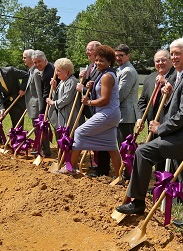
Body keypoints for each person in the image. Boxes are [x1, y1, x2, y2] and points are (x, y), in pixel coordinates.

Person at [115, 38, 183, 229]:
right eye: (172, 53)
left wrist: (161, 128)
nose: (173, 57)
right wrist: (170, 92)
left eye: (177, 53)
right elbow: (176, 107)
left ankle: (138, 203)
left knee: (143, 152)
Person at [64, 45, 121, 177]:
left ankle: (70, 168)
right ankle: (119, 176)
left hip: (107, 113)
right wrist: (92, 84)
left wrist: (88, 102)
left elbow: (105, 99)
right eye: (96, 60)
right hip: (111, 114)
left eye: (101, 60)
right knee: (111, 146)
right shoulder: (105, 74)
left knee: (79, 132)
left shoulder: (107, 76)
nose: (98, 63)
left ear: (109, 62)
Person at [114, 44, 140, 179]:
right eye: (116, 55)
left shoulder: (128, 71)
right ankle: (126, 173)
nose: (118, 58)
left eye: (121, 55)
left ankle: (128, 174)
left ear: (128, 56)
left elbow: (120, 94)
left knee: (126, 146)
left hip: (126, 115)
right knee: (121, 145)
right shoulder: (120, 69)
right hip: (122, 115)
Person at [0, 58, 27, 135]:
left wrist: (22, 88)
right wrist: (1, 109)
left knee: (17, 122)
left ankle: (18, 142)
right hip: (5, 100)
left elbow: (26, 75)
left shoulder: (10, 70)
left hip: (17, 99)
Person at [136, 49, 176, 129]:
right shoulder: (149, 78)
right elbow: (142, 101)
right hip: (151, 126)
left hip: (168, 127)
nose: (160, 63)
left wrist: (165, 82)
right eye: (157, 61)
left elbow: (178, 95)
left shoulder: (177, 76)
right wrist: (140, 118)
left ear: (171, 61)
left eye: (163, 60)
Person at [46, 58, 79, 128]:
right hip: (62, 113)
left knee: (70, 133)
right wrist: (54, 88)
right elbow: (58, 96)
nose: (56, 73)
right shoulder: (62, 81)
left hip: (70, 114)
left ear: (66, 72)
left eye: (58, 71)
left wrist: (53, 103)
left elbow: (66, 98)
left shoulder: (72, 81)